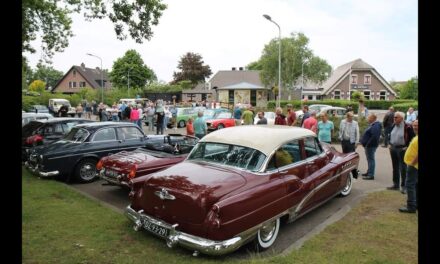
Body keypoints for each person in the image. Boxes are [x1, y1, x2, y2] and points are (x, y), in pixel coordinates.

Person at [387, 111, 415, 193]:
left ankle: (404, 186)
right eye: (394, 117)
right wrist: (389, 144)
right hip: (393, 148)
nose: (394, 118)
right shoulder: (393, 125)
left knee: (403, 168)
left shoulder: (407, 127)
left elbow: (413, 139)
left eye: (396, 117)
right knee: (395, 167)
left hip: (402, 149)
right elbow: (389, 135)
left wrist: (407, 147)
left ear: (402, 118)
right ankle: (395, 185)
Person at [399, 120, 418, 213]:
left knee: (409, 185)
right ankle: (415, 204)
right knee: (415, 185)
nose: (415, 127)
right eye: (414, 125)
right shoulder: (416, 136)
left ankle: (411, 206)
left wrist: (412, 163)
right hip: (414, 165)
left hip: (414, 166)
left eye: (417, 125)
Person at [360, 113, 382, 180]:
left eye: (369, 117)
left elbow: (374, 137)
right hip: (370, 146)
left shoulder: (376, 126)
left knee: (371, 159)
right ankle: (369, 172)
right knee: (369, 159)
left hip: (370, 146)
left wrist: (367, 144)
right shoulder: (373, 125)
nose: (368, 119)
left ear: (373, 118)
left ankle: (371, 175)